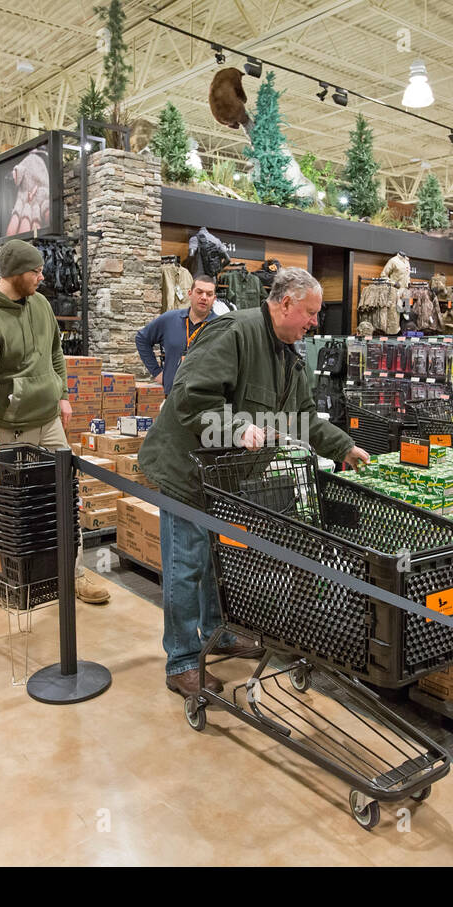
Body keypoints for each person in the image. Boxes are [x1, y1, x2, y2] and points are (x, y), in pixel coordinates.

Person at [138, 267, 371, 697]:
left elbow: (302, 416)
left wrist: (342, 447)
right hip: (186, 471)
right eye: (311, 313)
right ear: (285, 304)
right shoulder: (235, 333)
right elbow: (190, 397)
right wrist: (236, 427)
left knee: (213, 561)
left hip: (222, 477)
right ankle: (183, 660)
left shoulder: (288, 353)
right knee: (186, 565)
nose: (315, 322)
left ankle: (217, 631)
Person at [0, 239, 110, 605]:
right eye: (36, 271)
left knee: (66, 496)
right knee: (20, 510)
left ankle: (74, 574)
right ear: (16, 273)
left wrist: (61, 394)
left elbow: (55, 353)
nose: (42, 277)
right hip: (10, 429)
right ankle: (23, 579)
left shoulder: (42, 304)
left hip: (49, 423)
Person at [134, 275, 218, 395]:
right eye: (199, 292)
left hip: (205, 399)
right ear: (190, 293)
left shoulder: (221, 326)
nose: (204, 297)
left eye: (209, 294)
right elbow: (141, 338)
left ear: (214, 298)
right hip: (172, 396)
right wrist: (157, 372)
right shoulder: (169, 319)